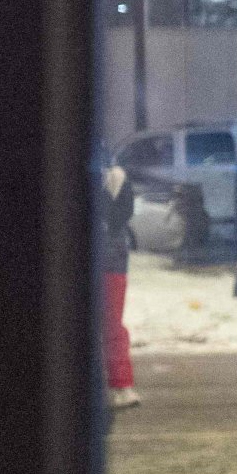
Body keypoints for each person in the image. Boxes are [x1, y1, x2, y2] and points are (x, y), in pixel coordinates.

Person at [98, 155, 142, 411]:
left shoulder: (117, 180)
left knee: (112, 325)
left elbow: (119, 216)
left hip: (111, 261)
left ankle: (121, 385)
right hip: (112, 260)